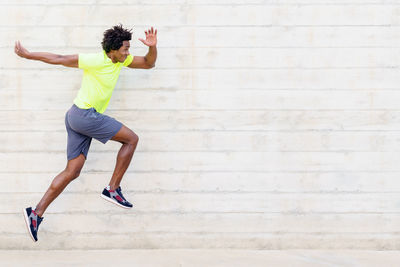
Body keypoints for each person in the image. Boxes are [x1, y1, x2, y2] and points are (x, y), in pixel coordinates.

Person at [15, 24, 157, 242]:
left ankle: (35, 213)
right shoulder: (96, 60)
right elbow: (60, 58)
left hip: (75, 116)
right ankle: (113, 189)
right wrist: (29, 55)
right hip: (84, 116)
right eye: (125, 49)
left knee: (72, 171)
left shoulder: (121, 60)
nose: (128, 53)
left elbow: (149, 63)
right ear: (112, 50)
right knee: (131, 139)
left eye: (129, 49)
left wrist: (152, 47)